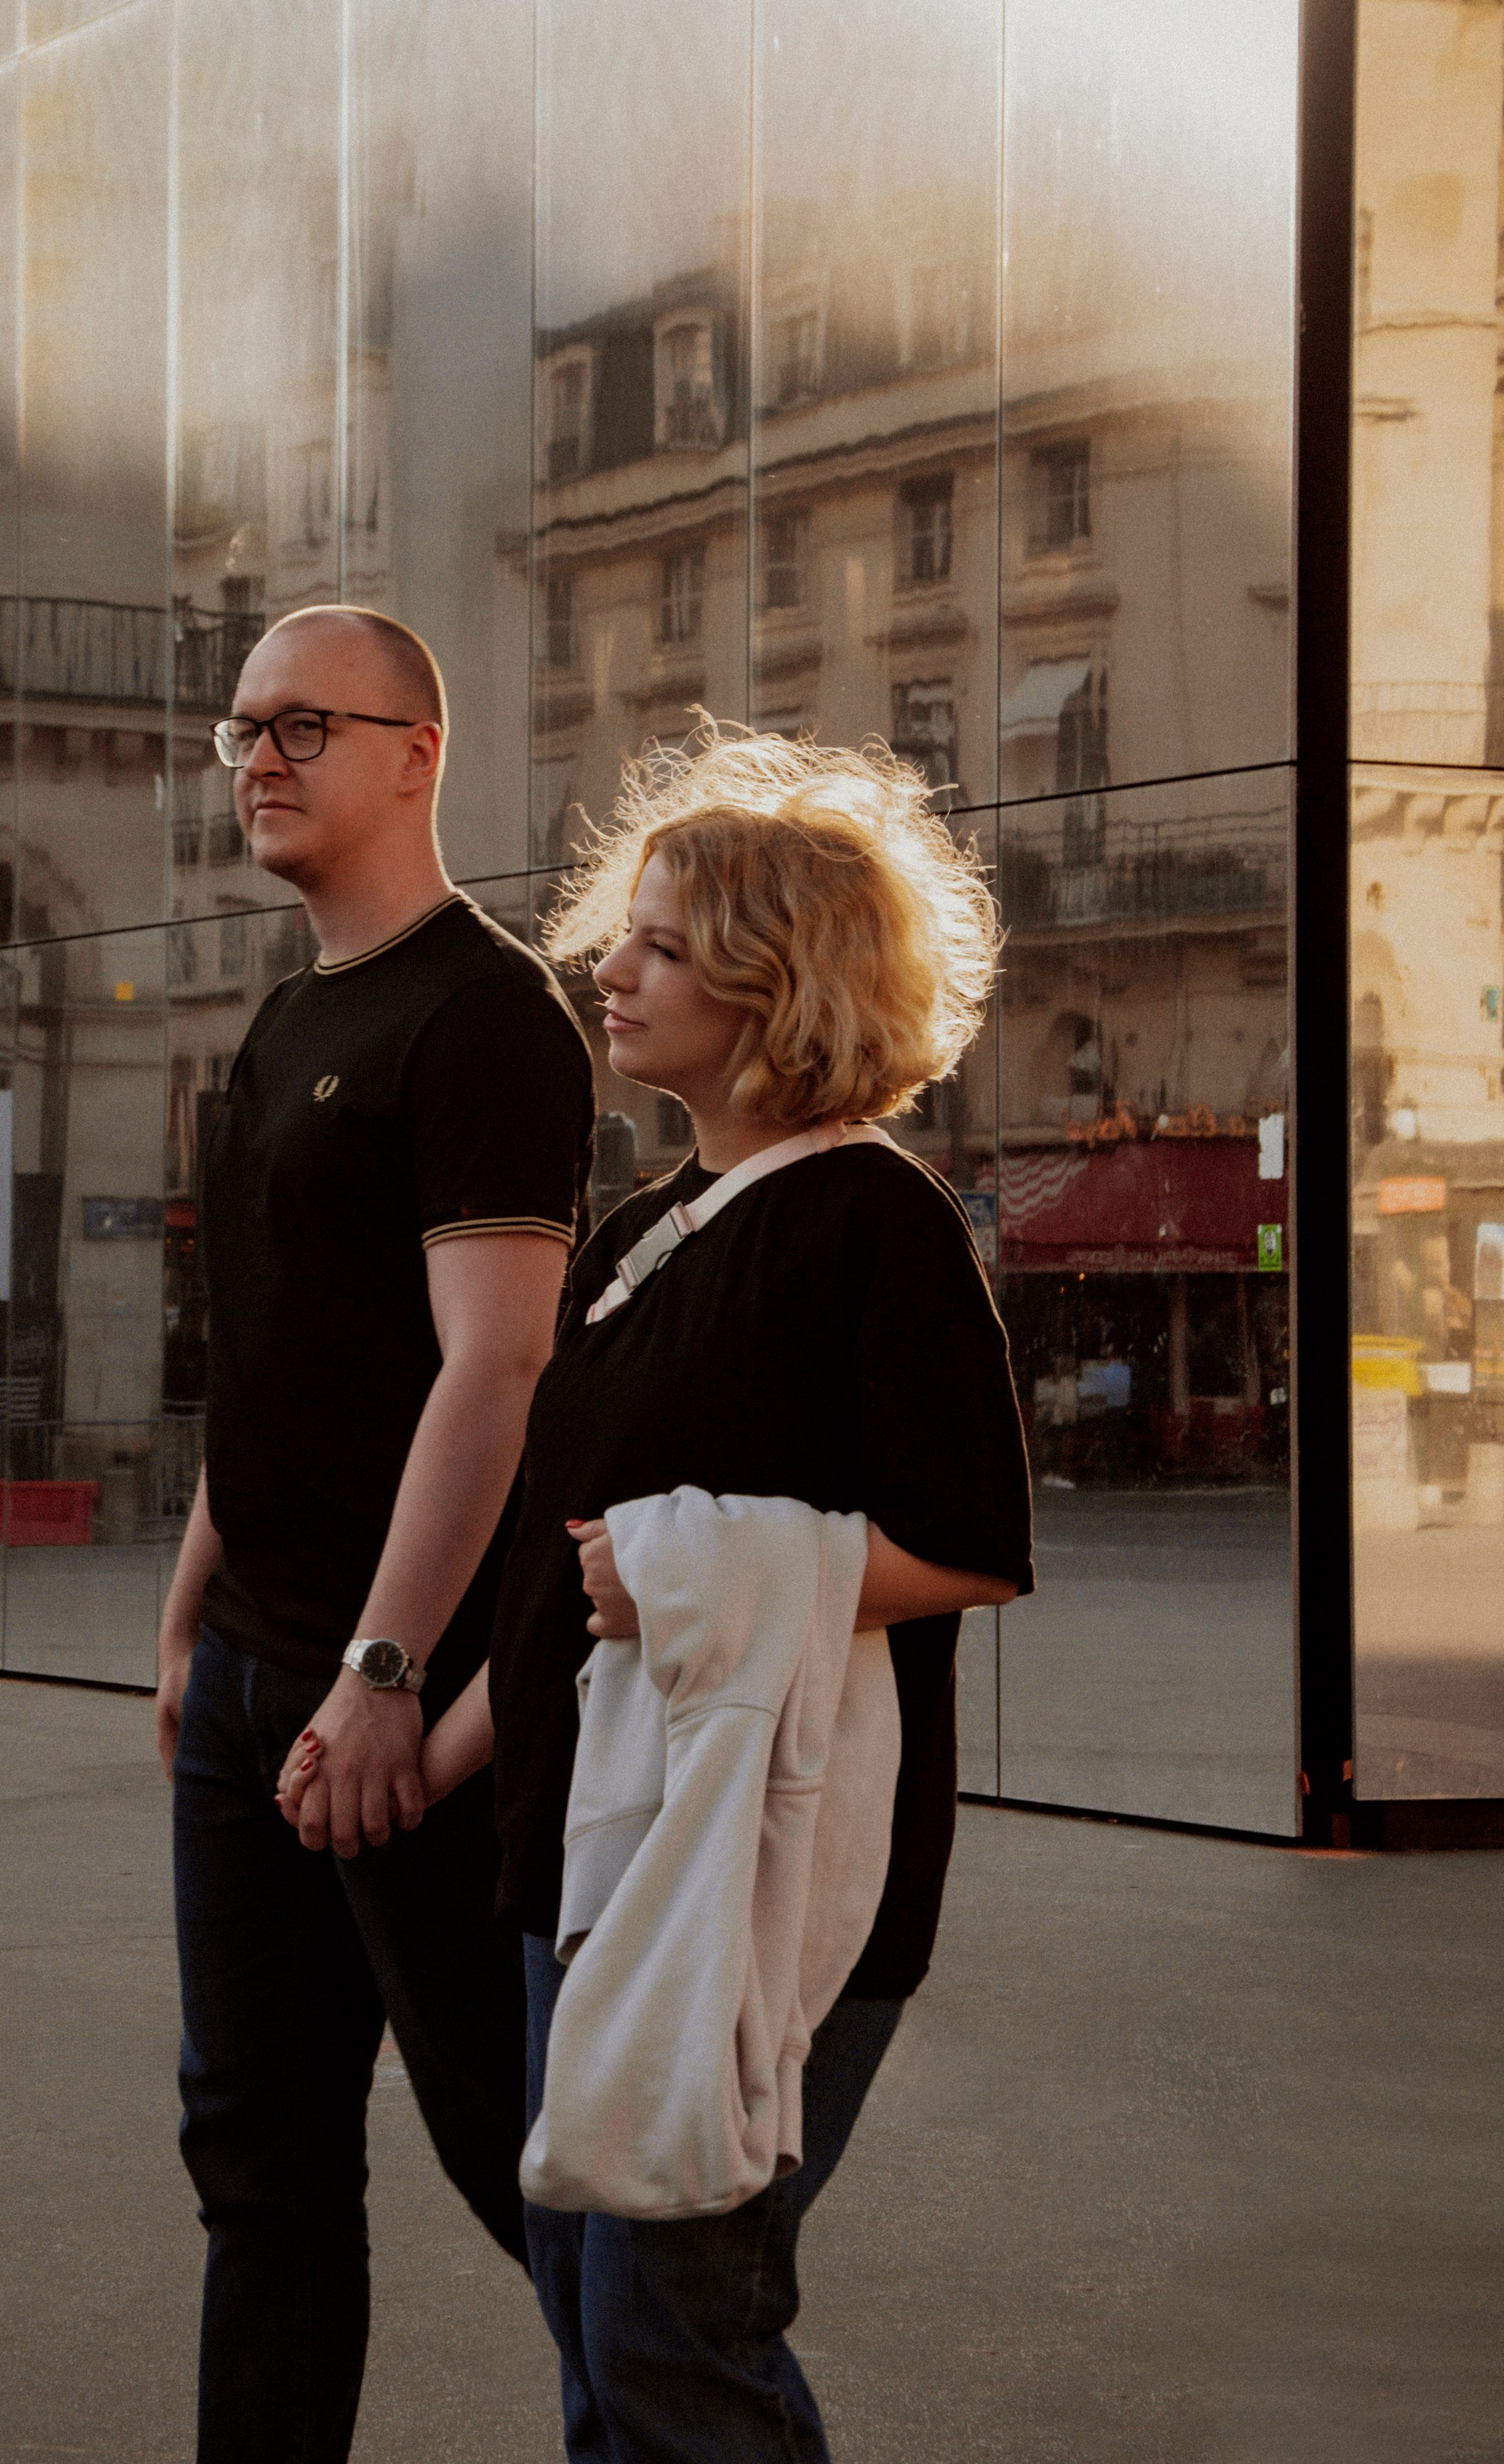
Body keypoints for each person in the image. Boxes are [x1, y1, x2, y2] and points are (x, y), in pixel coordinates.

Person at [373, 723, 1034, 2462]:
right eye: (626, 933)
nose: (613, 964)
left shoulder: (873, 1222)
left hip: (766, 1862)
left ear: (774, 979)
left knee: (676, 2327)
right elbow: (557, 1582)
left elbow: (967, 1542)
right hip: (584, 1854)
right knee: (595, 2329)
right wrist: (408, 1758)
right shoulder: (639, 1226)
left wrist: (696, 1573)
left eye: (661, 944)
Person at [157, 603, 595, 2464]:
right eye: (240, 728)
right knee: (257, 2166)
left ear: (417, 750)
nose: (257, 754)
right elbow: (260, 1359)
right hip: (258, 1680)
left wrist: (387, 1668)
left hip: (399, 1702)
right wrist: (188, 1627)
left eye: (302, 724)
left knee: (530, 2166)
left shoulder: (485, 1016)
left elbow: (492, 1369)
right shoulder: (277, 1023)